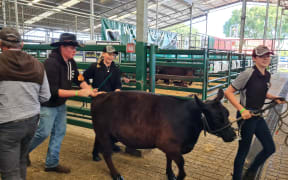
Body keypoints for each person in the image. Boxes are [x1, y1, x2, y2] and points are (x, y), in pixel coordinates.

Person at [27, 33, 100, 173]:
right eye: (72, 47)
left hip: (61, 105)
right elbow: (53, 91)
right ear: (62, 47)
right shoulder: (50, 64)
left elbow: (79, 79)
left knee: (59, 132)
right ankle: (21, 153)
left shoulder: (71, 62)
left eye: (75, 48)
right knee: (42, 133)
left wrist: (89, 90)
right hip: (48, 105)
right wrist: (78, 93)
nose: (75, 51)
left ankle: (51, 163)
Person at [224, 45, 286, 180]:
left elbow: (262, 93)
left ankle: (251, 171)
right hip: (246, 116)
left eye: (267, 56)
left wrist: (275, 98)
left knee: (270, 148)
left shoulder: (267, 75)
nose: (265, 58)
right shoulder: (247, 74)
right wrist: (241, 109)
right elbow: (228, 92)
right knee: (243, 151)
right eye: (261, 56)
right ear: (254, 58)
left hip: (258, 116)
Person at [0, 27, 51, 180]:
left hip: (7, 123)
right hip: (31, 121)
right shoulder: (37, 64)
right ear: (21, 44)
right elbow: (45, 96)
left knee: (9, 172)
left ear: (1, 44)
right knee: (21, 161)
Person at [84, 45, 140, 161]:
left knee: (113, 125)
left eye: (113, 55)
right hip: (99, 101)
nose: (111, 57)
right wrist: (89, 89)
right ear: (103, 54)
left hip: (112, 101)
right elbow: (82, 77)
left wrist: (118, 91)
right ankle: (95, 151)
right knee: (101, 126)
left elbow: (118, 84)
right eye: (109, 54)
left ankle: (110, 145)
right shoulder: (95, 67)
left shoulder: (116, 69)